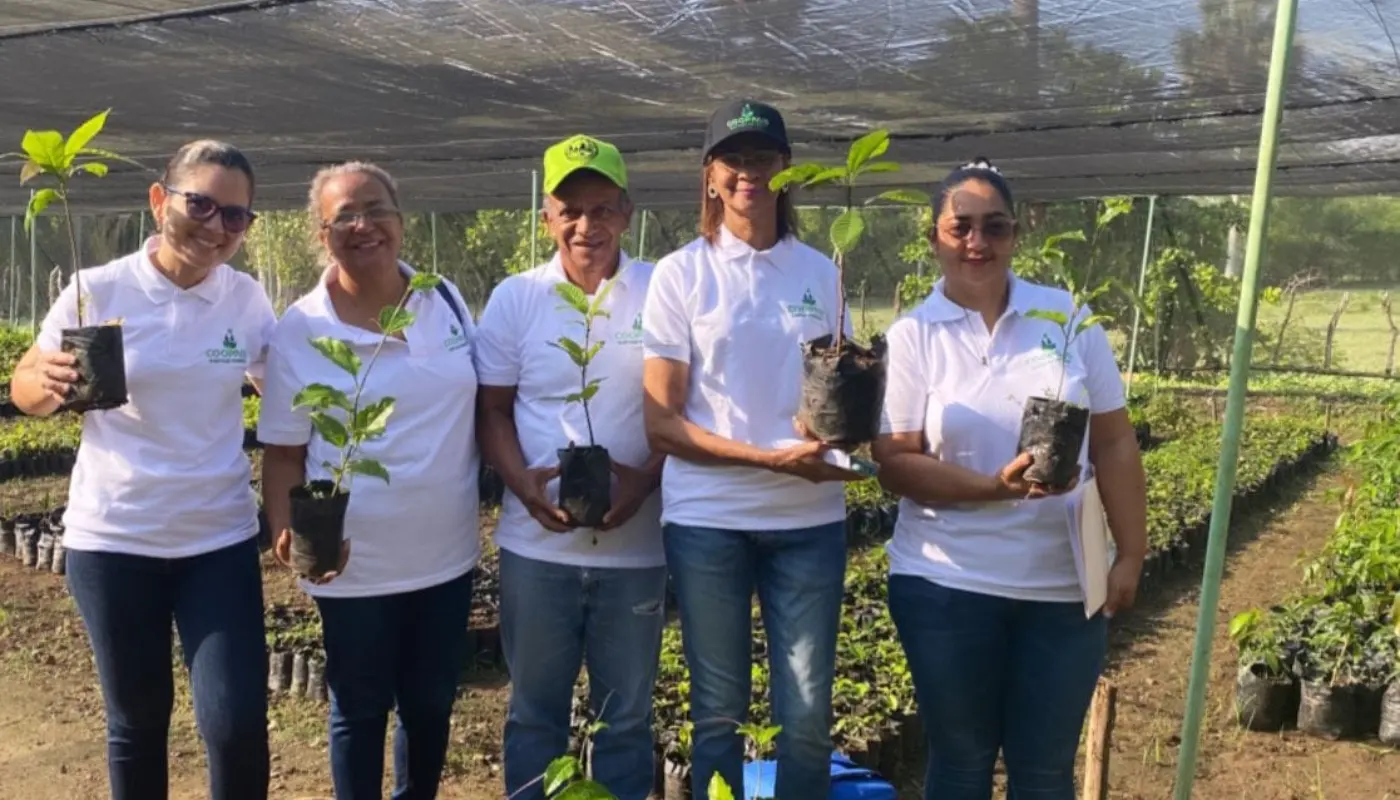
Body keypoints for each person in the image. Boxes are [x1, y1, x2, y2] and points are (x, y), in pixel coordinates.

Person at [871, 158, 1148, 800]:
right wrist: (994, 487)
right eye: (960, 227)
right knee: (962, 763)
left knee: (1044, 771)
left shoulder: (1067, 319)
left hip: (1062, 586)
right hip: (945, 584)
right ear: (934, 237)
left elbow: (1113, 441)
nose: (977, 243)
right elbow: (894, 461)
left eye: (994, 227)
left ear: (1016, 235)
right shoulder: (913, 335)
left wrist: (1131, 553)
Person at [9, 140, 272, 800]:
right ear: (160, 202)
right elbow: (25, 387)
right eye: (201, 204)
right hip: (116, 539)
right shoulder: (97, 289)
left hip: (218, 539)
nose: (216, 227)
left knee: (236, 720)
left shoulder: (245, 301)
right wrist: (47, 381)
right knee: (137, 720)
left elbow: (287, 392)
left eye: (235, 216)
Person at [641, 99, 863, 799]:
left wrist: (838, 437)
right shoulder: (682, 275)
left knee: (805, 716)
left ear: (785, 171)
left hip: (807, 524)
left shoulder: (822, 273)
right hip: (709, 520)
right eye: (734, 160)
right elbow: (662, 424)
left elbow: (841, 395)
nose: (749, 173)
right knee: (718, 713)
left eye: (763, 158)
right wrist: (769, 460)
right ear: (709, 176)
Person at [257, 161, 479, 800]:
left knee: (432, 704)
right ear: (321, 235)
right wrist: (284, 530)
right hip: (350, 562)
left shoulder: (445, 300)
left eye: (376, 209)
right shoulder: (302, 329)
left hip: (447, 554)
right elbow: (282, 453)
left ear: (401, 221)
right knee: (357, 708)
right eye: (344, 217)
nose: (363, 225)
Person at [475, 134, 665, 800]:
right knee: (534, 713)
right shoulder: (516, 299)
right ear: (546, 217)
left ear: (627, 212)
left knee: (627, 721)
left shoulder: (661, 291)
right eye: (570, 209)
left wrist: (652, 476)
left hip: (636, 550)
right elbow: (492, 410)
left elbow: (686, 402)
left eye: (603, 208)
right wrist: (518, 480)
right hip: (537, 549)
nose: (588, 225)